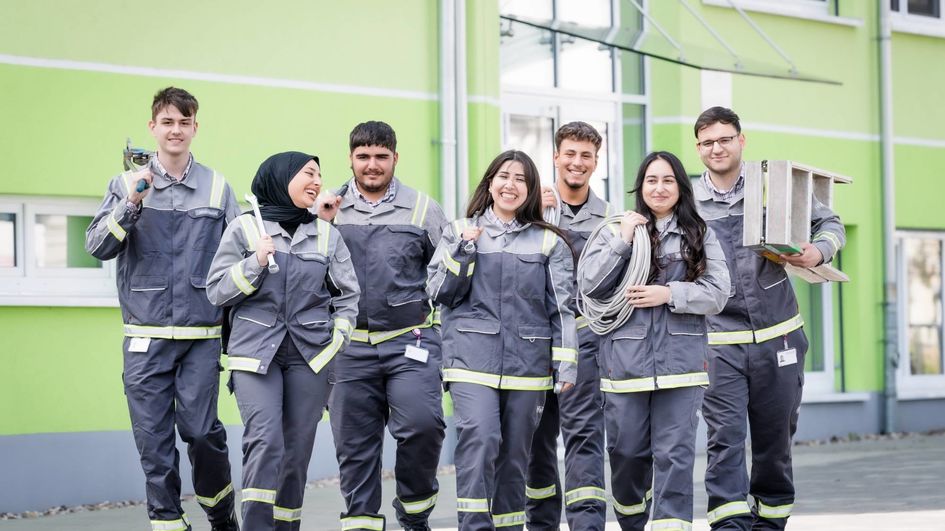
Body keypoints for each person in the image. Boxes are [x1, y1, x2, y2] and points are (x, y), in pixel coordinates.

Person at [85, 87, 239, 531]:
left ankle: (221, 516)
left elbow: (235, 255)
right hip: (144, 339)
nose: (176, 130)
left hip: (201, 340)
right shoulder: (123, 185)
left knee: (202, 433)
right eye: (167, 122)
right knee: (153, 442)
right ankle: (169, 522)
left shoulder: (217, 187)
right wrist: (133, 202)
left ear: (195, 128)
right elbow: (97, 247)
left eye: (184, 122)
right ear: (153, 127)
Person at [693, 107, 846, 530]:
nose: (716, 148)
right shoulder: (689, 201)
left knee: (774, 442)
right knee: (723, 441)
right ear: (698, 149)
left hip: (779, 339)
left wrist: (818, 251)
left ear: (742, 141)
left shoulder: (772, 187)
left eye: (724, 139)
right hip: (719, 343)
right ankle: (729, 524)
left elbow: (830, 223)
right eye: (707, 142)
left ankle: (771, 520)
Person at [206, 151, 360, 530]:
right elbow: (216, 291)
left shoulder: (327, 234)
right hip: (256, 353)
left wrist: (339, 336)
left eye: (319, 176)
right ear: (281, 177)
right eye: (308, 174)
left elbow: (347, 295)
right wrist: (254, 263)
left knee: (296, 451)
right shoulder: (245, 228)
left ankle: (287, 525)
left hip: (311, 355)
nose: (316, 182)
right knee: (266, 440)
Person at [427, 149, 578, 531]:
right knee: (480, 437)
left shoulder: (548, 242)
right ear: (490, 182)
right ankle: (474, 525)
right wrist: (464, 250)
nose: (510, 185)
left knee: (515, 456)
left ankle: (509, 526)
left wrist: (566, 361)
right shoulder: (459, 230)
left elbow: (561, 308)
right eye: (503, 177)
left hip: (528, 366)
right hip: (471, 361)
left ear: (529, 190)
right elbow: (439, 293)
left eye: (521, 179)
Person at [579, 151, 729, 530]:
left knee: (675, 456)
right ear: (640, 187)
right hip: (624, 365)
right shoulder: (616, 231)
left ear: (680, 186)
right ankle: (632, 522)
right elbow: (591, 286)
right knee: (627, 454)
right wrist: (624, 240)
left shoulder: (700, 234)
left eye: (667, 180)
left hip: (681, 367)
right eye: (651, 180)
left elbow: (719, 292)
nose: (659, 188)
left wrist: (670, 294)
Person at [316, 121, 447, 531]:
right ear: (351, 158)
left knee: (424, 426)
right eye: (363, 157)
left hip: (410, 342)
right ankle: (361, 523)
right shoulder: (328, 208)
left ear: (395, 158)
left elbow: (447, 277)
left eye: (380, 157)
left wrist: (442, 338)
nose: (372, 165)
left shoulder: (424, 209)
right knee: (354, 447)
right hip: (348, 347)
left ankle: (414, 514)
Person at [527, 121, 614, 530]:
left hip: (584, 343)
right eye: (570, 154)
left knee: (584, 437)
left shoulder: (612, 220)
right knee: (533, 445)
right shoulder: (528, 206)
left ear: (597, 161)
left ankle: (587, 524)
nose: (577, 163)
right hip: (529, 342)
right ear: (556, 157)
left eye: (586, 155)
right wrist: (533, 213)